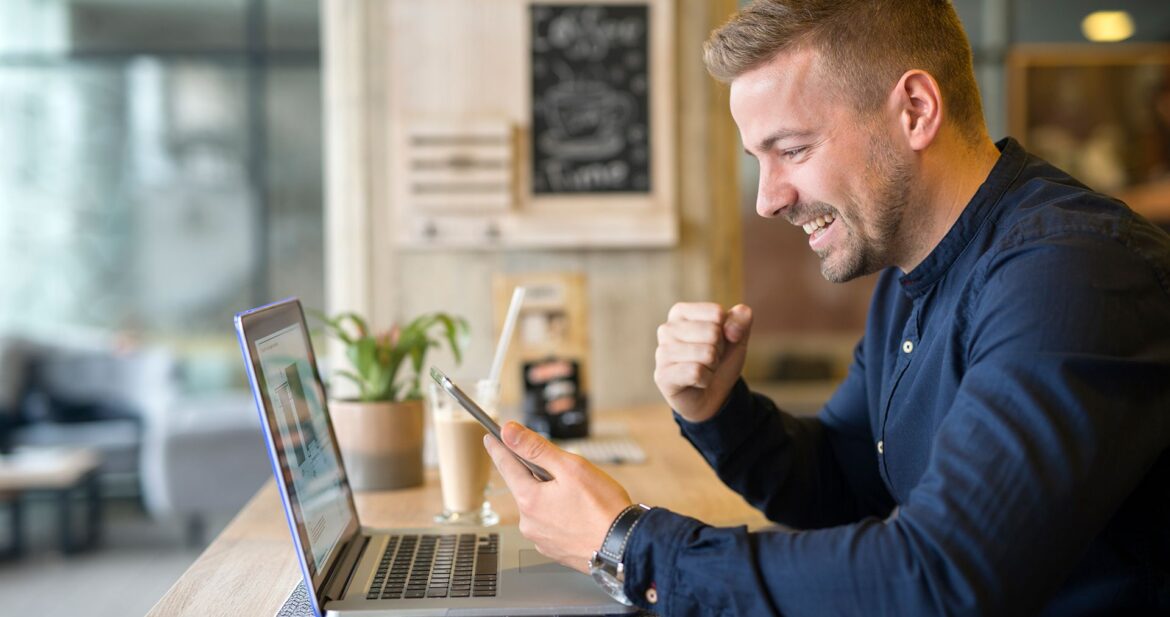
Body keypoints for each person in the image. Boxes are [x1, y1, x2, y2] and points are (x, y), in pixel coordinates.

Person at [483, 0, 1170, 614]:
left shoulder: (1071, 274)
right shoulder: (913, 271)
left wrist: (630, 545)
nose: (768, 198)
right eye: (760, 158)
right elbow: (845, 481)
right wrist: (718, 411)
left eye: (792, 149)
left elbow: (938, 579)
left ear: (916, 111)